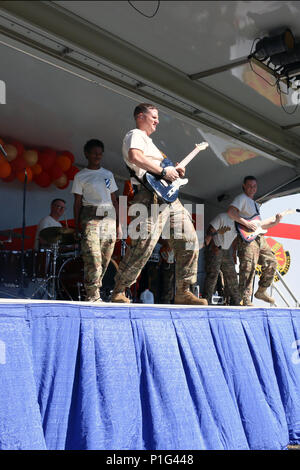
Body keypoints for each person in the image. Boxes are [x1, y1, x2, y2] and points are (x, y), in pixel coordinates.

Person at [111, 102, 207, 305]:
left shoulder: (152, 144)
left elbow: (162, 169)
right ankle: (119, 290)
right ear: (140, 116)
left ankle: (183, 291)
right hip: (148, 197)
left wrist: (174, 171)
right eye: (153, 116)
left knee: (189, 239)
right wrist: (164, 172)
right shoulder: (135, 135)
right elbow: (134, 157)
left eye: (157, 117)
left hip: (169, 199)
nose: (157, 121)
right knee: (143, 246)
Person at [72, 139, 122, 302]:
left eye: (100, 153)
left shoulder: (107, 175)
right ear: (87, 154)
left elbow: (114, 200)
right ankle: (92, 294)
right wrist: (77, 225)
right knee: (93, 256)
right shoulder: (81, 176)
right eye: (94, 153)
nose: (97, 156)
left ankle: (96, 289)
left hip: (109, 216)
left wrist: (119, 225)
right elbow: (77, 202)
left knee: (105, 257)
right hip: (90, 214)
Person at [227, 175, 282, 306]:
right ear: (244, 186)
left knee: (272, 261)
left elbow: (260, 225)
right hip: (247, 239)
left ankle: (261, 290)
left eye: (254, 186)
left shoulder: (254, 203)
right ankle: (244, 299)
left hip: (258, 237)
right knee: (248, 267)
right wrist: (245, 222)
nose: (252, 188)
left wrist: (276, 221)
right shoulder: (241, 198)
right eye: (250, 186)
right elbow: (231, 212)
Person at [203, 212, 240, 305]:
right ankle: (206, 301)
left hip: (226, 251)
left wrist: (234, 254)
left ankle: (236, 301)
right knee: (213, 275)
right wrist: (211, 244)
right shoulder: (223, 217)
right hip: (216, 248)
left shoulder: (239, 223)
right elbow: (210, 230)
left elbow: (235, 239)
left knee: (232, 276)